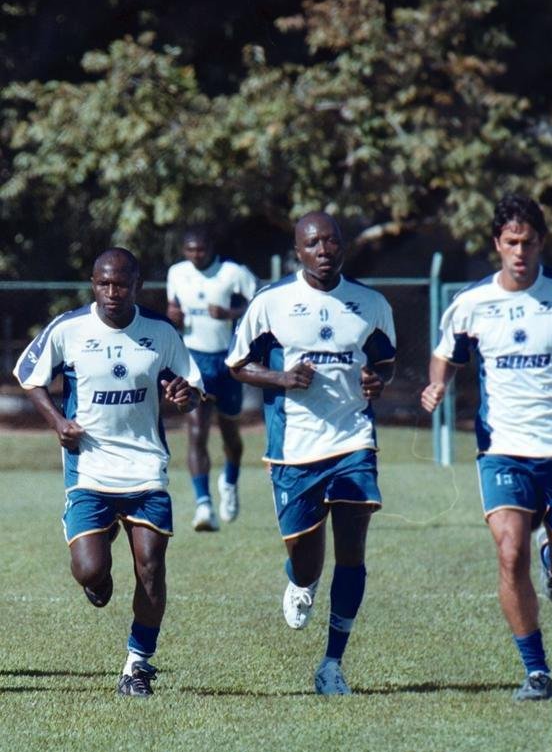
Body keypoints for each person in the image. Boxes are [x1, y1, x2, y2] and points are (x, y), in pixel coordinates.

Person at [421, 194, 552, 701]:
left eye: (529, 242)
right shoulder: (472, 303)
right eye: (511, 242)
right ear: (497, 244)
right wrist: (438, 386)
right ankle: (536, 671)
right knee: (508, 549)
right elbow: (444, 353)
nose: (520, 251)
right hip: (503, 449)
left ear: (542, 242)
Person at [13, 248, 203, 698]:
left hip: (145, 466)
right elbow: (27, 375)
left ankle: (138, 664)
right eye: (103, 284)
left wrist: (184, 397)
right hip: (90, 468)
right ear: (93, 285)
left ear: (137, 285)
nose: (112, 293)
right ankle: (98, 569)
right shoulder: (70, 328)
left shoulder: (160, 332)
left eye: (121, 284)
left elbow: (193, 388)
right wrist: (58, 422)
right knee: (89, 572)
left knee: (152, 568)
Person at [226, 211, 396, 695]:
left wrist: (375, 381)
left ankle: (332, 666)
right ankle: (300, 582)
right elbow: (238, 364)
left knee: (352, 551)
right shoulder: (272, 302)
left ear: (343, 247)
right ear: (297, 252)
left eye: (332, 241)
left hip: (352, 441)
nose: (324, 250)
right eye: (313, 243)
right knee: (306, 561)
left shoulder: (370, 304)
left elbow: (384, 363)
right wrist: (281, 378)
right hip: (294, 449)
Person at [166, 226, 258, 531]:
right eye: (190, 250)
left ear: (211, 247)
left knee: (230, 433)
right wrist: (173, 316)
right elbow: (172, 307)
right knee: (196, 430)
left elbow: (258, 303)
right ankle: (203, 505)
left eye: (200, 250)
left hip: (227, 360)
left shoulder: (232, 272)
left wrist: (230, 313)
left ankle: (229, 481)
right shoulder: (177, 273)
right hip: (193, 359)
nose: (195, 255)